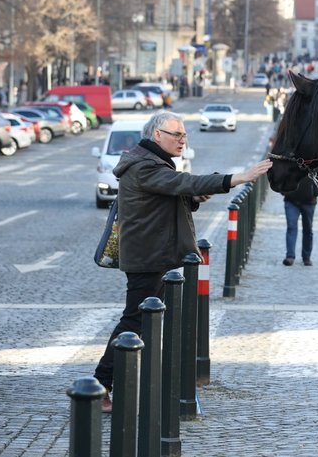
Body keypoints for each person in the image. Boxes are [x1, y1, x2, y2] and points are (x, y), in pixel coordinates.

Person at [93, 111, 272, 413]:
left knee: (141, 321)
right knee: (134, 320)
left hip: (153, 253)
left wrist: (191, 198)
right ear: (156, 135)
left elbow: (168, 194)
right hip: (147, 256)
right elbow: (182, 182)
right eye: (175, 134)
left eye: (184, 134)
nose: (182, 139)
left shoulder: (152, 162)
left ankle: (123, 381)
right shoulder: (143, 165)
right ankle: (100, 386)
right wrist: (238, 177)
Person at [281, 165, 318, 266]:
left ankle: (306, 257)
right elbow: (280, 174)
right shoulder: (290, 158)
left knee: (308, 230)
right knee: (291, 227)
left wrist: (314, 194)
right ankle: (290, 256)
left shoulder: (315, 160)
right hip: (291, 201)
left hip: (309, 202)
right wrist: (284, 192)